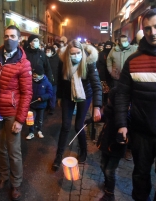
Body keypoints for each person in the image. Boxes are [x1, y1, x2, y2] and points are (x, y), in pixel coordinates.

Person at [0, 25, 32, 201]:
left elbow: (27, 93)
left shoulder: (23, 63)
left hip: (11, 112)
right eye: (6, 36)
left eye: (13, 36)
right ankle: (3, 177)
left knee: (13, 150)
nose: (9, 39)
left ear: (19, 39)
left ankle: (16, 184)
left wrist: (20, 119)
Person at [115, 8, 156, 201]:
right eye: (148, 28)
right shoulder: (133, 61)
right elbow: (122, 94)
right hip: (142, 132)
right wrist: (122, 124)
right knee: (140, 176)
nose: (153, 32)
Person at [53, 39, 102, 170]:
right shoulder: (63, 62)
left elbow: (97, 86)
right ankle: (58, 156)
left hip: (85, 95)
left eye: (78, 53)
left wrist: (97, 106)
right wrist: (59, 97)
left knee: (79, 125)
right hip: (67, 96)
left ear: (82, 52)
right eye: (72, 54)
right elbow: (60, 81)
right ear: (68, 54)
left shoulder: (89, 62)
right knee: (65, 125)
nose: (75, 56)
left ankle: (83, 151)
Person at [86, 87, 128, 201]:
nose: (108, 101)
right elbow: (105, 118)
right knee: (103, 165)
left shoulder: (124, 115)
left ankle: (110, 193)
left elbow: (127, 131)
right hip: (106, 142)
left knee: (110, 170)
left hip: (116, 146)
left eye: (110, 100)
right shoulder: (111, 110)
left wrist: (124, 139)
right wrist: (93, 119)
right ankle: (107, 183)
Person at [26, 64, 53, 140]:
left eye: (36, 74)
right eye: (33, 74)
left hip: (41, 105)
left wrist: (42, 97)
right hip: (32, 105)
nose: (34, 75)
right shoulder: (31, 82)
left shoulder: (47, 83)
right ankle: (31, 132)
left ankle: (39, 130)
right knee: (31, 119)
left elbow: (50, 93)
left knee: (40, 119)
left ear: (41, 74)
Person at [45, 46, 62, 114]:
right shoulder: (45, 58)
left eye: (48, 51)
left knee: (53, 94)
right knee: (46, 93)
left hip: (54, 80)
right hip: (46, 80)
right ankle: (47, 106)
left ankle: (52, 107)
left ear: (52, 51)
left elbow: (58, 70)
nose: (47, 52)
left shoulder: (57, 59)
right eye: (46, 51)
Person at [97, 41, 115, 106]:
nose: (108, 48)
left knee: (109, 89)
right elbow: (98, 64)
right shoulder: (101, 54)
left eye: (109, 46)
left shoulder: (113, 54)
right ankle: (103, 102)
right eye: (106, 46)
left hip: (110, 75)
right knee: (103, 89)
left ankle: (108, 101)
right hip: (103, 74)